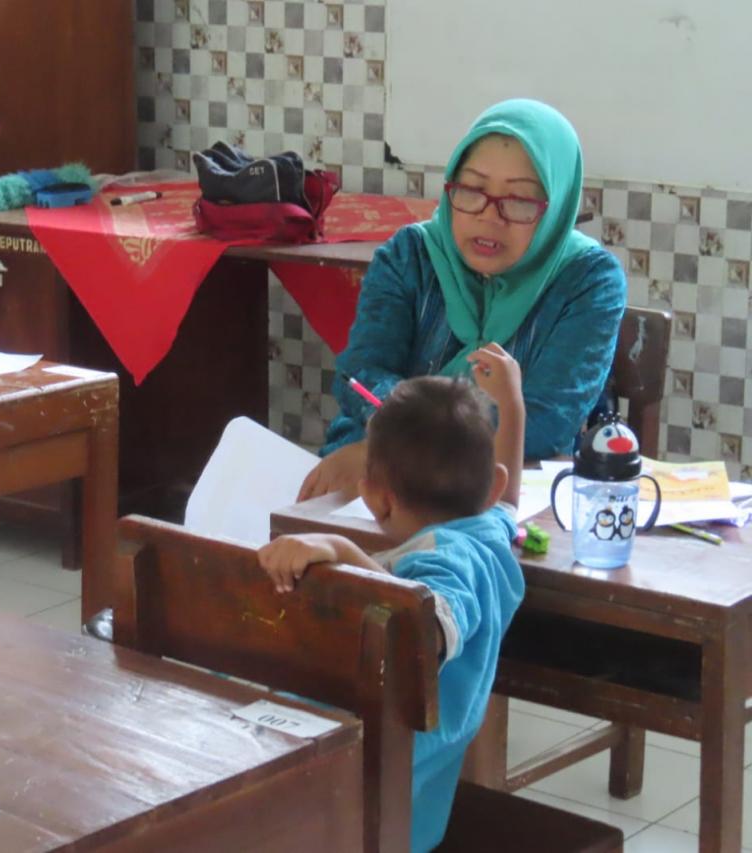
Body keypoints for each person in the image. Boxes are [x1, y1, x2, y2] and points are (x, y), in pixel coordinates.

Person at [260, 344, 526, 853]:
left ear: (375, 496)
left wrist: (340, 548)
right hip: (391, 798)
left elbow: (419, 628)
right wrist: (511, 406)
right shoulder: (487, 534)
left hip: (370, 812)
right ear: (489, 485)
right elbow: (508, 501)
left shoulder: (448, 559)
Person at [300, 98, 626, 501]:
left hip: (496, 496)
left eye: (520, 201)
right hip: (369, 478)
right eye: (471, 189)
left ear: (556, 208)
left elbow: (546, 422)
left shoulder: (588, 280)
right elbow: (360, 374)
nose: (490, 216)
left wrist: (394, 449)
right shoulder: (410, 255)